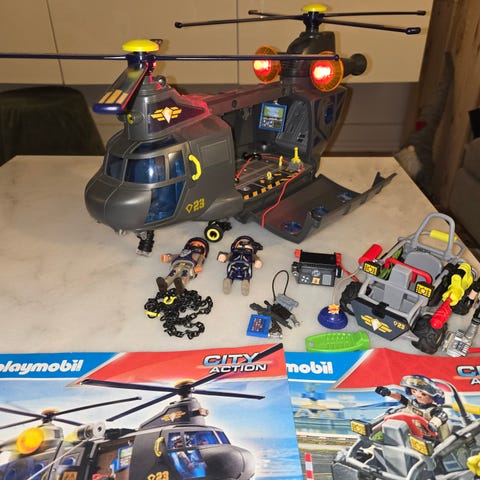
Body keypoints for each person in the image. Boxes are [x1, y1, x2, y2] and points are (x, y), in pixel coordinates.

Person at [376, 374, 449, 439]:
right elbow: (400, 397)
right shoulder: (411, 403)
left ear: (433, 397)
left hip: (428, 437)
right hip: (410, 431)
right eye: (414, 391)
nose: (418, 395)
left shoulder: (432, 410)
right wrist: (388, 393)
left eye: (423, 394)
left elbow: (442, 416)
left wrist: (433, 424)